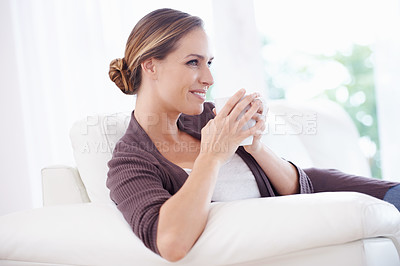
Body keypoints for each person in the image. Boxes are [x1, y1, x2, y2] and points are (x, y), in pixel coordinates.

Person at [107, 8, 400, 262]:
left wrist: (256, 145)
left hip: (324, 194)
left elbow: (300, 188)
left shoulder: (213, 118)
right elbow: (171, 243)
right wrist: (211, 156)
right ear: (150, 65)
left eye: (209, 63)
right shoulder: (130, 161)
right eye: (193, 62)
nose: (209, 79)